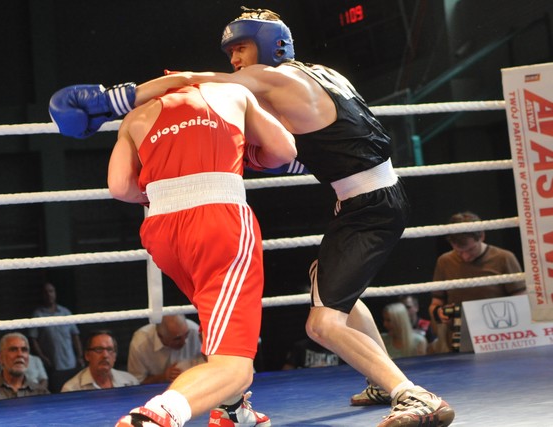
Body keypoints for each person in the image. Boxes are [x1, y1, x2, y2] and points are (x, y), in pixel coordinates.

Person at [48, 7, 454, 427]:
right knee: (327, 286)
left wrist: (112, 100)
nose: (235, 59)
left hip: (367, 205)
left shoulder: (271, 79)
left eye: (241, 48)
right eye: (230, 53)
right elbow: (322, 143)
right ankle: (366, 380)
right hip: (365, 197)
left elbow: (196, 82)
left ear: (271, 45)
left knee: (322, 325)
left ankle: (412, 395)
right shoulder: (320, 75)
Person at [50, 77, 296, 426]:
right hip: (219, 222)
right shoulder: (231, 92)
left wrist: (167, 193)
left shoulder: (135, 117)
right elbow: (285, 151)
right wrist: (248, 155)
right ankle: (158, 415)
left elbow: (119, 187)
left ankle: (232, 410)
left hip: (163, 231)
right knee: (235, 365)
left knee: (219, 321)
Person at [429, 211, 526, 352]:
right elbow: (436, 302)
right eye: (458, 251)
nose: (465, 256)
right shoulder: (444, 261)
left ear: (482, 236)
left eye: (470, 249)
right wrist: (439, 313)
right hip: (459, 340)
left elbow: (521, 300)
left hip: (499, 338)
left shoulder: (504, 258)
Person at [128, 315, 205, 384]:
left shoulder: (195, 332)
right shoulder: (140, 344)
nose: (185, 342)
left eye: (186, 335)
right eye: (177, 338)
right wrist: (163, 377)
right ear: (160, 336)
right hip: (154, 390)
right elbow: (136, 382)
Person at [27, 282, 85, 373]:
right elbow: (33, 338)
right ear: (42, 295)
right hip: (52, 365)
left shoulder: (65, 312)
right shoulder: (38, 315)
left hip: (70, 362)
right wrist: (42, 357)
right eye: (46, 292)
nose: (49, 294)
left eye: (51, 291)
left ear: (55, 293)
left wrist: (80, 356)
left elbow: (75, 336)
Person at [61, 330, 139, 392]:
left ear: (115, 356)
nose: (105, 355)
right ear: (87, 355)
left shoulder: (130, 382)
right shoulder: (71, 390)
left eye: (109, 349)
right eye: (98, 349)